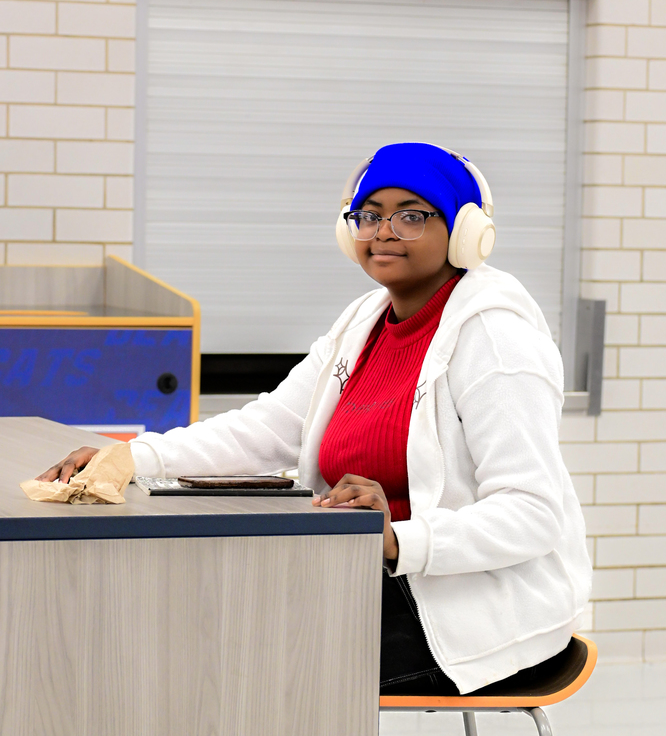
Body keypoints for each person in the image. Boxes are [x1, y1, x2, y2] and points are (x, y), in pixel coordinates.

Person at [38, 143, 591, 696]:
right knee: (191, 629)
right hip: (370, 577)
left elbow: (532, 513)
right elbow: (268, 428)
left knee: (241, 673)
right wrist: (133, 456)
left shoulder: (497, 341)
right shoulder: (362, 324)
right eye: (369, 215)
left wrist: (399, 540)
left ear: (466, 231)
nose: (384, 231)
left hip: (470, 604)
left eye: (412, 215)